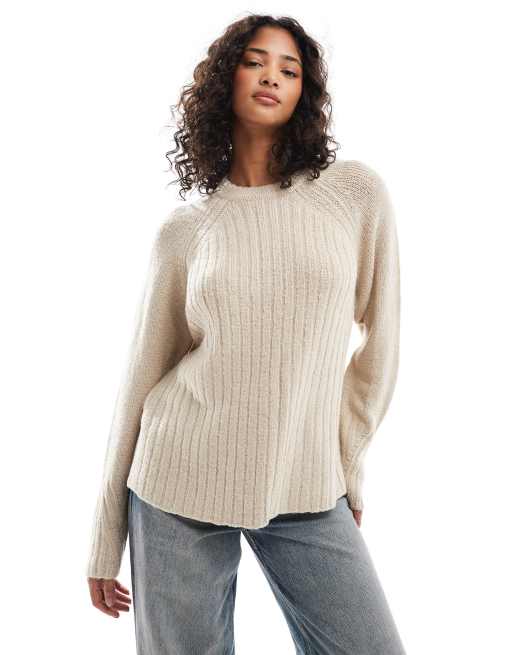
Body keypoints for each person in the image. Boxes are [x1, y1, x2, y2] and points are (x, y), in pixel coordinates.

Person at [86, 13, 406, 655]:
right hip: (177, 482)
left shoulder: (353, 195)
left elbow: (381, 347)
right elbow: (140, 381)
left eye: (290, 69)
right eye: (255, 61)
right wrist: (104, 537)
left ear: (305, 92)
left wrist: (346, 466)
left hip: (307, 486)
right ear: (225, 80)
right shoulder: (187, 230)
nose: (271, 77)